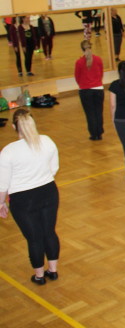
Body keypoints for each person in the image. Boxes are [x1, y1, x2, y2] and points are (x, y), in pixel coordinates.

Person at [0, 109, 61, 286]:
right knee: (49, 232)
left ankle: (39, 276)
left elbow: (2, 184)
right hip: (49, 192)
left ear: (14, 127)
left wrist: (1, 203)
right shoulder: (47, 141)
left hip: (23, 200)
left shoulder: (8, 152)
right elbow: (54, 168)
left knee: (34, 238)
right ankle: (53, 271)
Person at [74, 40, 104, 141]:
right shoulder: (98, 59)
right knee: (98, 112)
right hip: (98, 89)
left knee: (90, 113)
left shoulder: (79, 62)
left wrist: (83, 84)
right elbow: (101, 73)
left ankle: (93, 134)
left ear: (82, 49)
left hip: (85, 90)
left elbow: (77, 77)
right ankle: (99, 133)